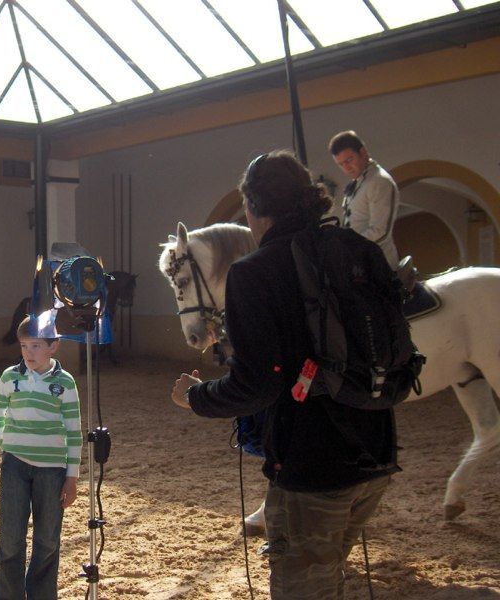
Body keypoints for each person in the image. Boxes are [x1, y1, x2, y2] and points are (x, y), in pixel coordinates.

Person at [171, 151, 398, 600]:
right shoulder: (361, 250)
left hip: (313, 466)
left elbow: (257, 382)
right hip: (377, 452)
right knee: (327, 575)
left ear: (253, 207)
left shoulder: (254, 271)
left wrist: (196, 398)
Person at [0, 316, 82, 600]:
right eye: (24, 346)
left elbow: (74, 431)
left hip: (52, 471)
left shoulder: (65, 383)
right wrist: (10, 444)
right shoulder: (9, 377)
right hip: (15, 466)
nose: (29, 353)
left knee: (48, 539)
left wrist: (72, 477)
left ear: (53, 347)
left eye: (36, 346)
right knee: (10, 539)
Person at [329, 130, 400, 267]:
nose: (346, 168)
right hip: (362, 263)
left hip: (380, 264)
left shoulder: (379, 181)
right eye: (341, 164)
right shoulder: (359, 181)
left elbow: (380, 231)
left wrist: (348, 247)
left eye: (349, 160)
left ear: (363, 152)